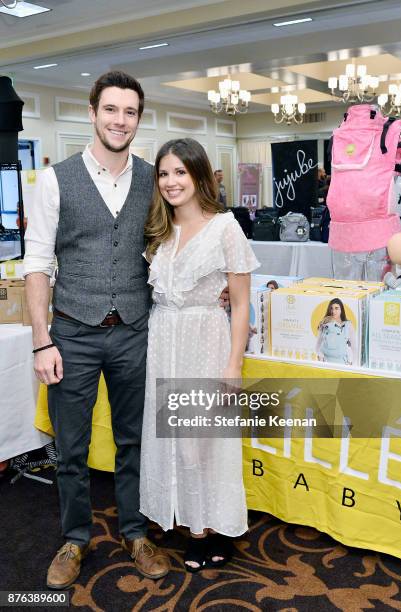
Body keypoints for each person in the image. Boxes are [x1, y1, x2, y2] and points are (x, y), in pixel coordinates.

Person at [23, 71, 170, 589]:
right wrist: (42, 340)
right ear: (92, 113)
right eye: (111, 109)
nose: (120, 120)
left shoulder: (154, 178)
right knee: (73, 445)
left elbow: (170, 244)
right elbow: (37, 262)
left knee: (134, 440)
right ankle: (75, 538)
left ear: (138, 118)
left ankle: (135, 532)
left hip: (134, 329)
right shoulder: (56, 179)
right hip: (73, 333)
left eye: (130, 112)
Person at [140, 138, 259, 572]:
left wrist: (233, 363)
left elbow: (242, 303)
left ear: (199, 176)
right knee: (174, 438)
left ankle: (218, 528)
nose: (171, 182)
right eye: (164, 173)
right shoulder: (157, 229)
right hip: (164, 339)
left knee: (204, 442)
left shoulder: (226, 227)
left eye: (180, 173)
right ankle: (192, 526)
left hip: (206, 339)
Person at [316, 298, 356, 365]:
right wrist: (320, 356)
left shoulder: (348, 325)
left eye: (336, 308)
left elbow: (354, 348)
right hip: (326, 363)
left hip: (342, 364)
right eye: (331, 308)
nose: (333, 311)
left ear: (341, 310)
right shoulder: (324, 323)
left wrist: (352, 364)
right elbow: (317, 347)